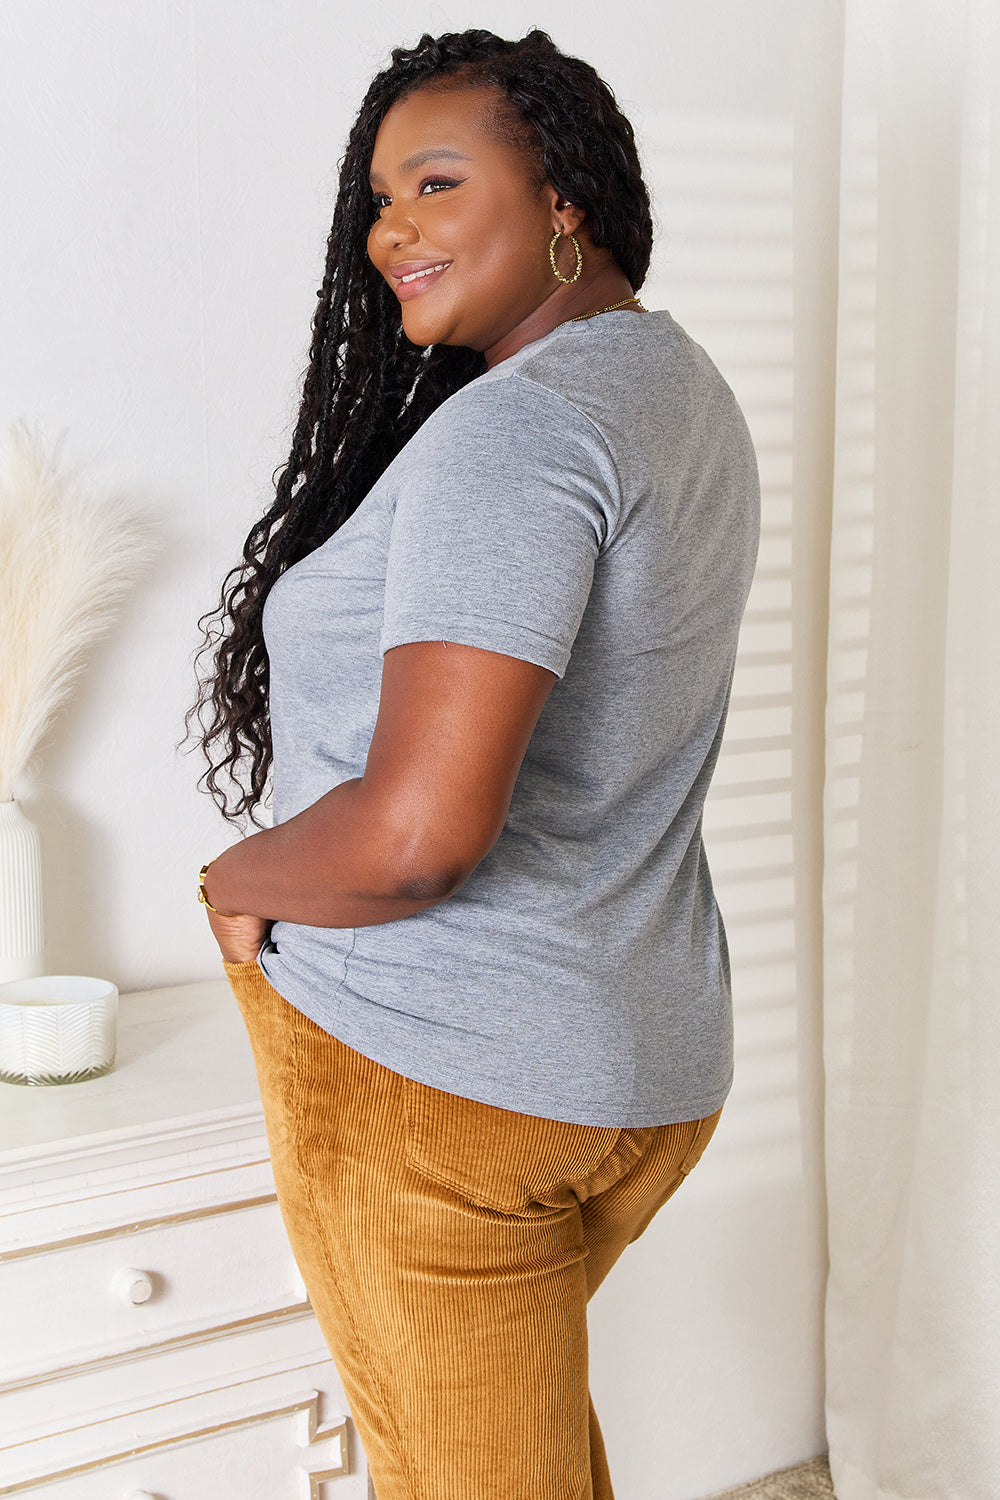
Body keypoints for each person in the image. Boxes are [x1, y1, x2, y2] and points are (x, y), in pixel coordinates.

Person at [191, 27, 759, 1500]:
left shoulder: (517, 436)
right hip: (639, 1066)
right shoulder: (678, 391)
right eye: (380, 199)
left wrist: (236, 877)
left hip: (440, 1082)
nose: (394, 232)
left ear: (564, 191)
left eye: (437, 181)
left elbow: (418, 836)